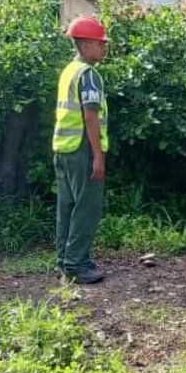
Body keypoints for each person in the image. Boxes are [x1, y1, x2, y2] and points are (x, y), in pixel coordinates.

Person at [53, 15, 109, 283]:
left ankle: (65, 260)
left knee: (67, 206)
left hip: (62, 148)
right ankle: (77, 265)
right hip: (81, 150)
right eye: (100, 43)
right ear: (86, 46)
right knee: (87, 207)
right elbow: (90, 115)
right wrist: (98, 155)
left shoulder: (68, 71)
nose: (104, 48)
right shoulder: (88, 75)